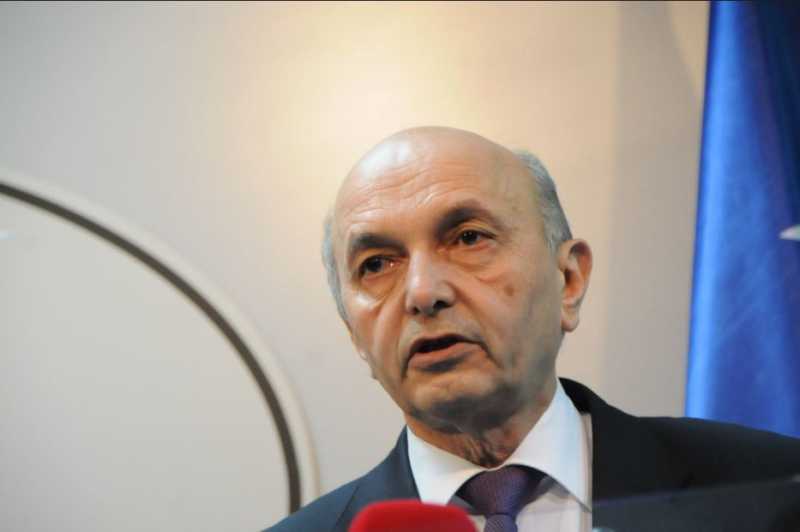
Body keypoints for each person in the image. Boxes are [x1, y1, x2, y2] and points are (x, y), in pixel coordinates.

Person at [266, 127, 800, 532]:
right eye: (377, 265)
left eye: (469, 238)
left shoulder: (775, 489)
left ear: (568, 280)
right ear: (355, 336)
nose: (423, 293)